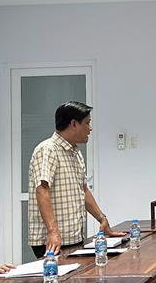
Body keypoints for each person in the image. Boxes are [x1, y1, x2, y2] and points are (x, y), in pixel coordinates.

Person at [27, 101, 118, 258]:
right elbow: (42, 190)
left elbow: (83, 190)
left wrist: (102, 219)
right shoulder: (47, 149)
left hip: (72, 237)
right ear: (74, 124)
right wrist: (53, 231)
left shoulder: (75, 153)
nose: (90, 128)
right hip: (52, 241)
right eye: (87, 123)